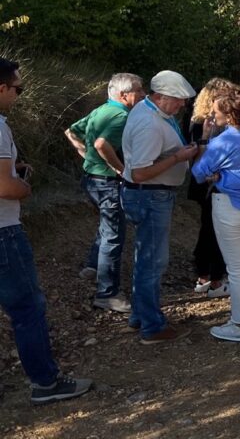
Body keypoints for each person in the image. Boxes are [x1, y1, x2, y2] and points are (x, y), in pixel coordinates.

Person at [0, 57, 93, 403]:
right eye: (17, 88)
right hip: (3, 231)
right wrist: (24, 186)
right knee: (27, 308)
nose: (19, 96)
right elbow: (5, 188)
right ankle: (46, 383)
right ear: (1, 87)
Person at [121, 70, 199, 344]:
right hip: (151, 195)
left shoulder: (150, 112)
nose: (182, 106)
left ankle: (141, 316)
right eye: (178, 100)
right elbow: (141, 172)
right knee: (152, 262)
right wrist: (178, 157)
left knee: (146, 259)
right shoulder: (150, 123)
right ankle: (152, 327)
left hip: (149, 194)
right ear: (161, 96)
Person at [64, 73, 145, 313]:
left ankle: (92, 266)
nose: (142, 95)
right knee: (114, 234)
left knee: (106, 225)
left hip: (90, 180)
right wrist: (121, 170)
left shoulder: (101, 110)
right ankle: (106, 293)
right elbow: (101, 144)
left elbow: (71, 131)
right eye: (139, 91)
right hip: (107, 183)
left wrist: (85, 155)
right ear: (124, 95)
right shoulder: (121, 116)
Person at [191, 86, 240, 342]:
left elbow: (199, 172)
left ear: (230, 115)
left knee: (237, 268)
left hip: (230, 204)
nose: (212, 115)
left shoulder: (224, 140)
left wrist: (207, 141)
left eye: (216, 112)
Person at [187, 79, 230, 298]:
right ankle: (213, 279)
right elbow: (199, 157)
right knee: (213, 232)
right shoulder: (210, 124)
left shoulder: (196, 120)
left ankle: (204, 276)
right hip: (211, 182)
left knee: (207, 229)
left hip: (202, 183)